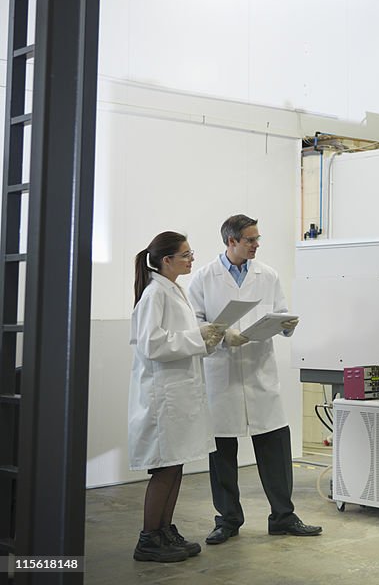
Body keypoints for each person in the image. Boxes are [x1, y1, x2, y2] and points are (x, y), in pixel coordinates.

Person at [188, 214, 322, 544]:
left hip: (260, 372)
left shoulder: (268, 275)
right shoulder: (204, 278)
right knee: (222, 454)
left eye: (257, 239)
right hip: (222, 374)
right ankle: (228, 520)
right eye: (250, 240)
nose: (256, 245)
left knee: (275, 446)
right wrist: (221, 336)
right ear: (231, 241)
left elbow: (279, 311)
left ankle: (283, 516)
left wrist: (285, 325)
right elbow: (193, 324)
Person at [128, 232, 225, 563]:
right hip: (163, 398)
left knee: (176, 464)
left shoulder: (173, 290)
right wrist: (196, 336)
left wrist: (209, 340)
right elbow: (152, 344)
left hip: (179, 393)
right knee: (164, 469)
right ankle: (148, 539)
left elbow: (183, 341)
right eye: (185, 254)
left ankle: (165, 530)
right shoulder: (155, 294)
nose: (191, 259)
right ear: (166, 260)